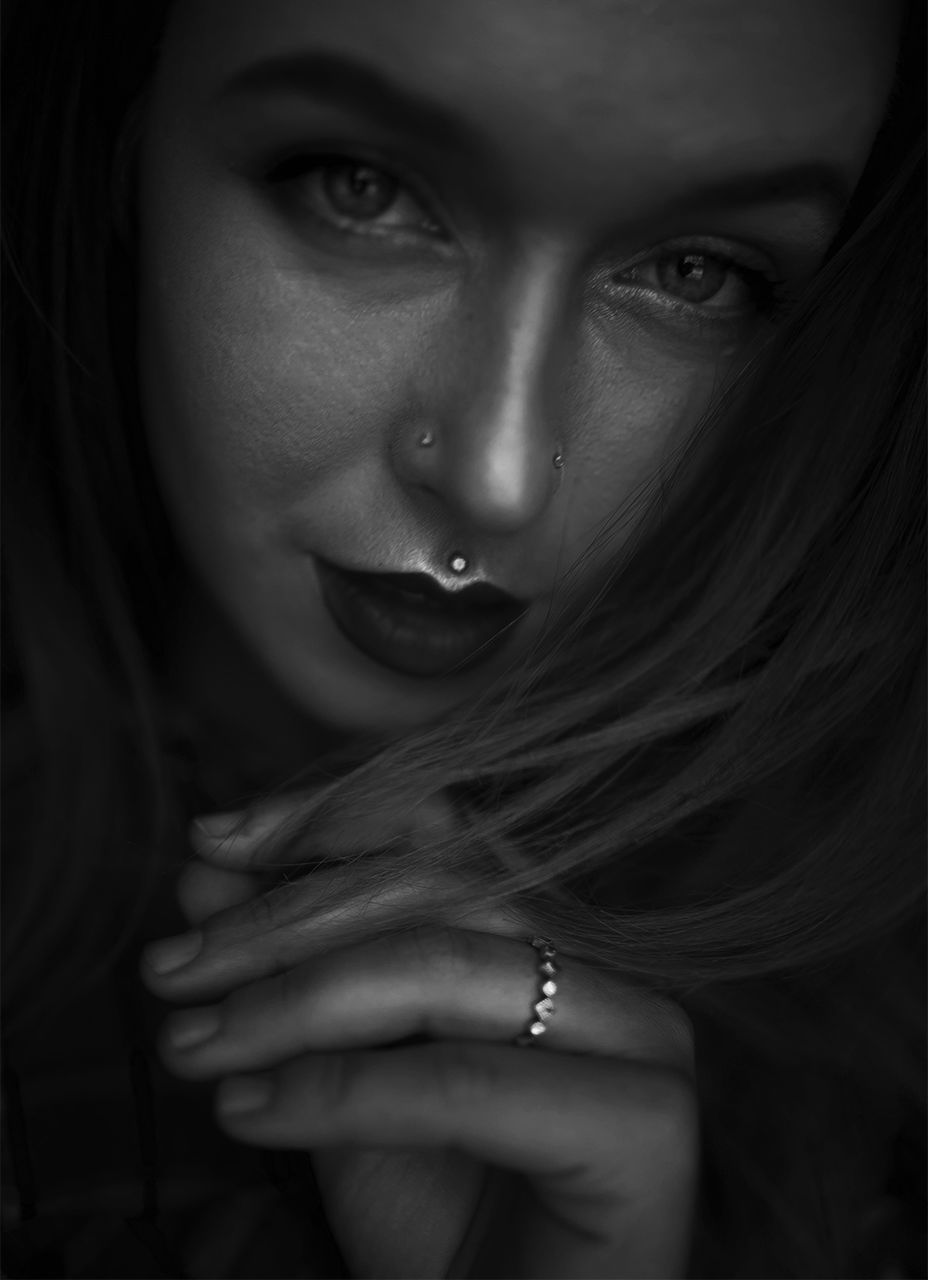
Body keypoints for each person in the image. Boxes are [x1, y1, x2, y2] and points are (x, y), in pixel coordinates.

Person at [2, 0, 924, 1275]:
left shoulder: (874, 1076)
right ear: (125, 141)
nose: (496, 474)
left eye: (693, 272)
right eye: (365, 190)